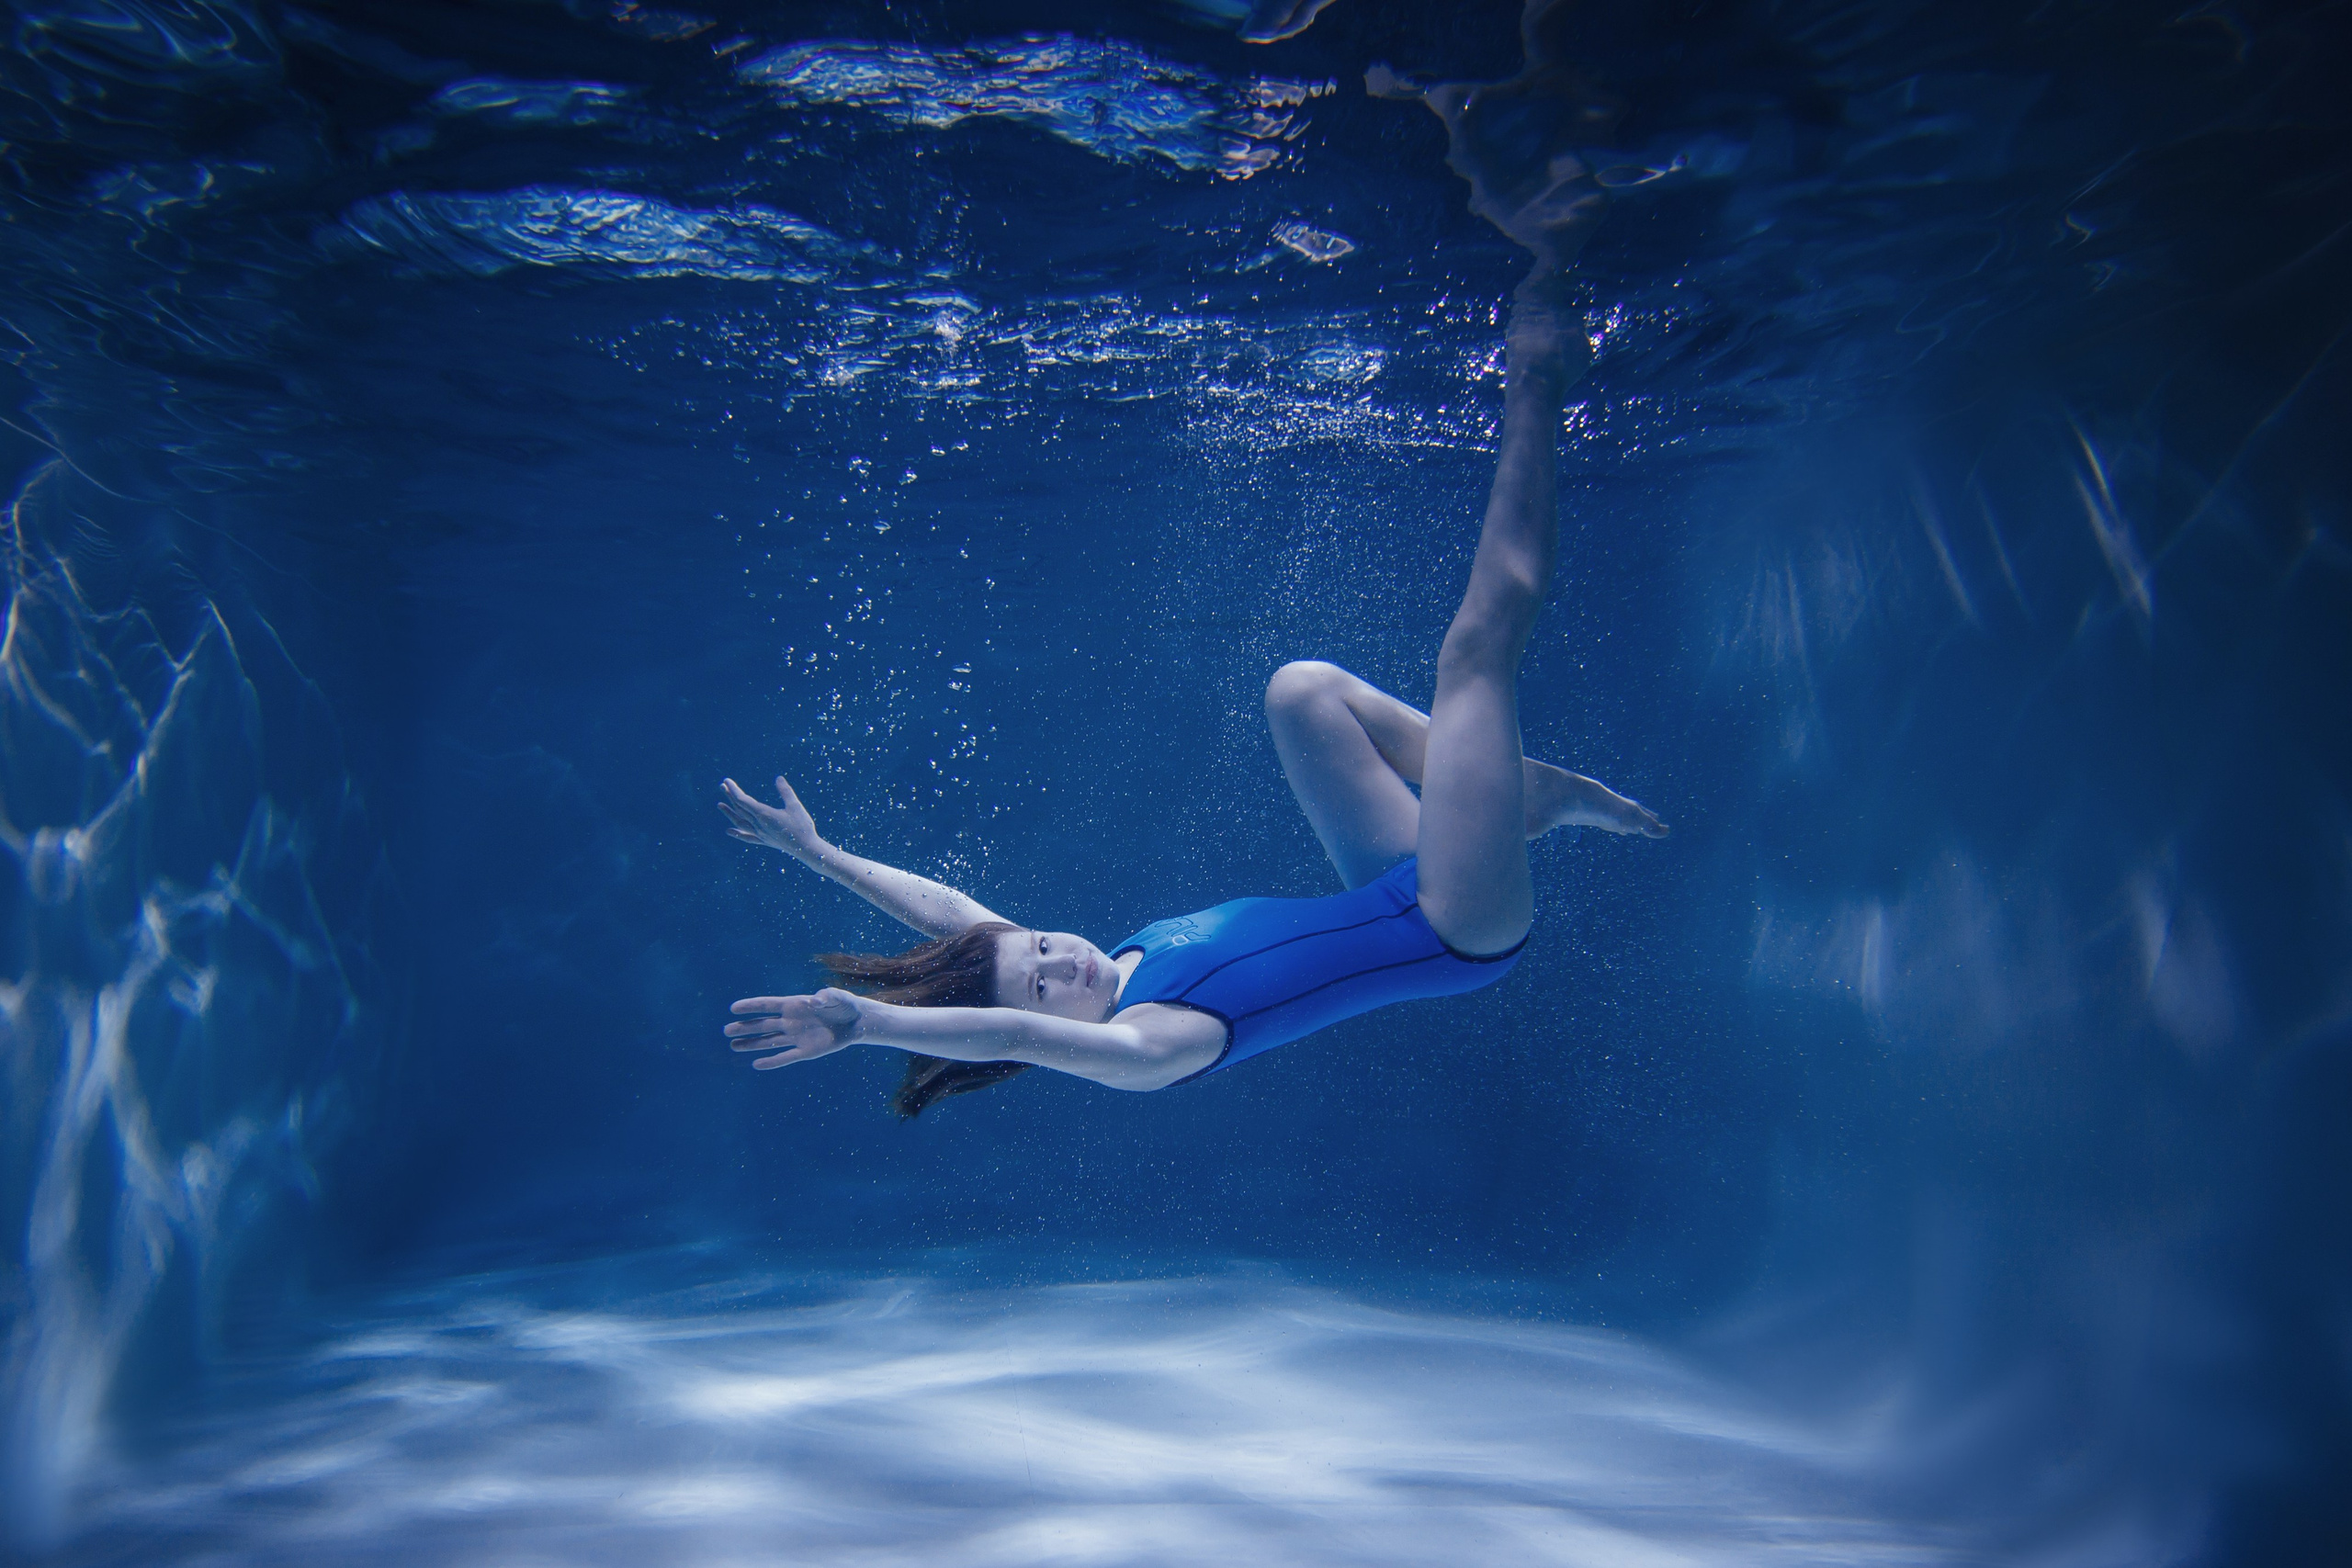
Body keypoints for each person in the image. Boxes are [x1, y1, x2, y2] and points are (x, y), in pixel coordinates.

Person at [719, 54, 1664, 1115]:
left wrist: (817, 851)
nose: (1059, 964)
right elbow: (1011, 1024)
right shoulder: (1147, 1043)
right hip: (1456, 922)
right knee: (1478, 650)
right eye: (1048, 987)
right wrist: (869, 1022)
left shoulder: (1114, 964)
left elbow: (950, 916)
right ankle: (1541, 362)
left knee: (1301, 691)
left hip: (1397, 883)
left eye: (1039, 948)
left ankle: (1517, 797)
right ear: (1054, 1035)